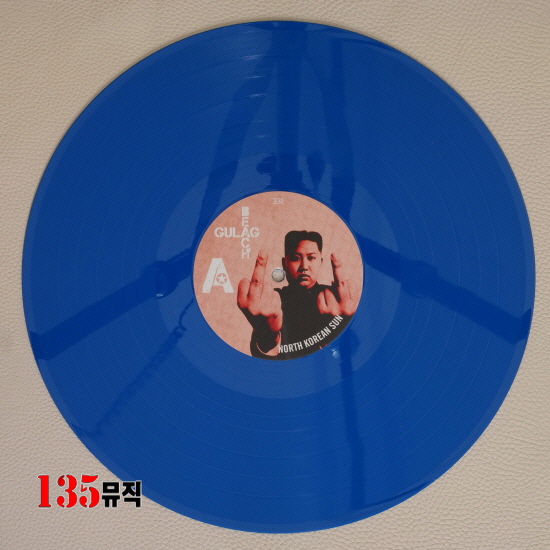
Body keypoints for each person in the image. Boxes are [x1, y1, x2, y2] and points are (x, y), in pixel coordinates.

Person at [237, 230, 358, 360]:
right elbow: (262, 359)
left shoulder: (336, 301)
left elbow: (352, 355)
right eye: (295, 258)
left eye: (311, 258)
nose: (304, 266)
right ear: (284, 264)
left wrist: (341, 327)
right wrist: (266, 333)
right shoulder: (272, 301)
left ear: (320, 262)